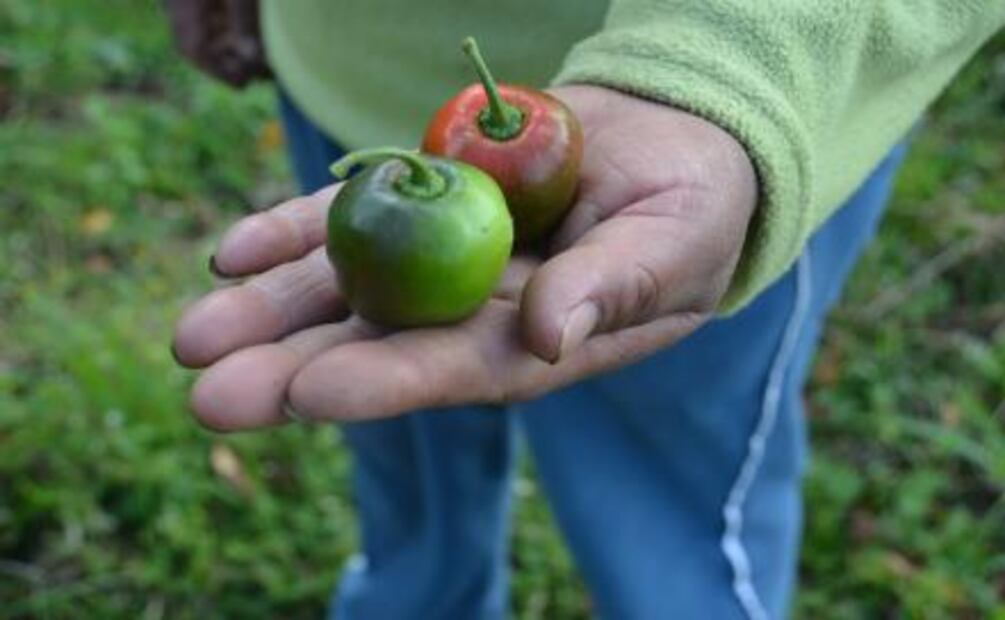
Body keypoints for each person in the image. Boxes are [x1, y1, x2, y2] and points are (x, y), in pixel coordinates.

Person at [167, 2, 1004, 618]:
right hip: (349, 85)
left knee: (675, 531)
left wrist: (726, 66)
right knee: (404, 482)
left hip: (719, 129)